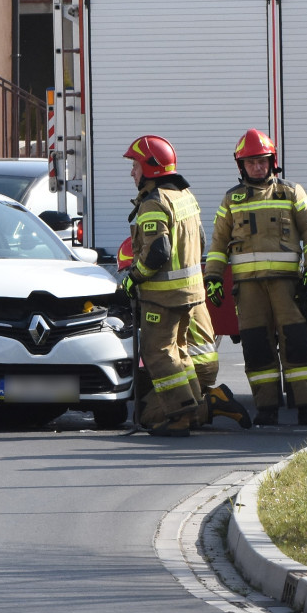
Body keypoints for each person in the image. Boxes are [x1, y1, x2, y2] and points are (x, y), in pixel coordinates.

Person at [122, 135, 251, 437]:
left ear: (150, 168)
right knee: (179, 352)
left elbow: (157, 253)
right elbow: (202, 241)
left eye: (135, 166)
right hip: (191, 295)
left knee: (160, 353)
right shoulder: (184, 196)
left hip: (163, 298)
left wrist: (134, 277)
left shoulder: (154, 202)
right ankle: (198, 407)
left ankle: (180, 416)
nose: (132, 173)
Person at [204, 128, 307, 427]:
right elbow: (219, 243)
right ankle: (267, 408)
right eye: (251, 162)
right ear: (241, 166)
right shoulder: (231, 199)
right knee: (256, 347)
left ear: (272, 161)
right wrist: (213, 277)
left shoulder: (291, 192)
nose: (257, 167)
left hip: (288, 286)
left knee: (298, 344)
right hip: (248, 291)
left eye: (262, 161)